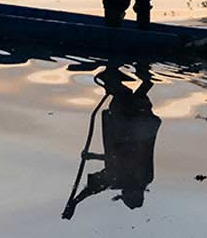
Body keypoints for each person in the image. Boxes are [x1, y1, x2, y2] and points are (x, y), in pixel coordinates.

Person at [62, 64, 162, 218]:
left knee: (131, 95)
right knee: (126, 96)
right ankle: (122, 72)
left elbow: (95, 187)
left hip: (135, 122)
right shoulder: (139, 177)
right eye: (125, 193)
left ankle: (128, 72)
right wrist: (93, 157)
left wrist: (75, 202)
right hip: (131, 123)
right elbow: (123, 159)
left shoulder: (127, 179)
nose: (122, 190)